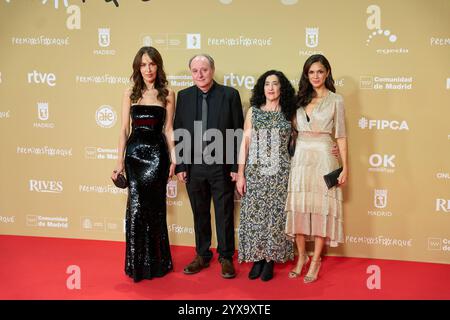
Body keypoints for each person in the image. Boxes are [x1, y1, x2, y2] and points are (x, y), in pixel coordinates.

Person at [173, 54, 244, 279]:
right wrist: (181, 164)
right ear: (191, 72)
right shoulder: (183, 97)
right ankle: (202, 255)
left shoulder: (230, 95)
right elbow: (179, 129)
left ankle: (225, 257)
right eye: (195, 70)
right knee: (199, 212)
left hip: (221, 166)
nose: (200, 74)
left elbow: (237, 132)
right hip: (193, 167)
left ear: (212, 70)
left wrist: (235, 165)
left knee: (224, 213)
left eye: (204, 69)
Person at [111, 46, 176, 282]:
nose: (148, 69)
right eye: (143, 65)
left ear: (158, 66)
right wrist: (119, 161)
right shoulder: (130, 92)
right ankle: (137, 264)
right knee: (136, 209)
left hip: (158, 155)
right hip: (135, 156)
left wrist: (174, 159)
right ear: (138, 68)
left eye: (152, 64)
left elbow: (168, 130)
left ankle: (157, 264)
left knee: (156, 209)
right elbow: (123, 129)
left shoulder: (168, 93)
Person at [285, 54, 348, 283]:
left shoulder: (336, 100)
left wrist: (344, 167)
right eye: (311, 72)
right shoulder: (298, 99)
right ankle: (301, 257)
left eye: (320, 71)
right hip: (301, 157)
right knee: (300, 208)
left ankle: (316, 259)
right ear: (306, 74)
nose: (315, 76)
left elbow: (340, 135)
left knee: (321, 208)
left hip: (324, 157)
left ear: (327, 73)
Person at [236, 70, 296, 281]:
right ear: (262, 88)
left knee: (276, 217)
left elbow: (299, 141)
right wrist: (241, 174)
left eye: (275, 83)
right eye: (267, 84)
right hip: (255, 171)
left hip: (281, 172)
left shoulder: (290, 112)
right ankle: (258, 259)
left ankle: (270, 260)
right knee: (255, 217)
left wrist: (327, 147)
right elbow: (245, 143)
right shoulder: (253, 111)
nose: (270, 87)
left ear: (282, 88)